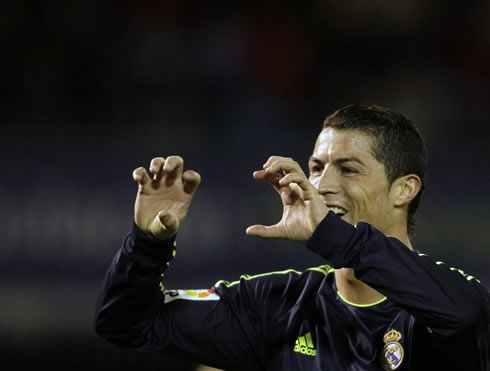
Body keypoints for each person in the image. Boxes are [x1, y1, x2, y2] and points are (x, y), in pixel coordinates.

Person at [95, 104, 489, 370]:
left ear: (405, 189)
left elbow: (469, 318)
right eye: (316, 167)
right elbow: (127, 323)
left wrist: (336, 239)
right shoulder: (278, 306)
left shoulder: (439, 307)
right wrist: (147, 245)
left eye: (348, 169)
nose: (322, 185)